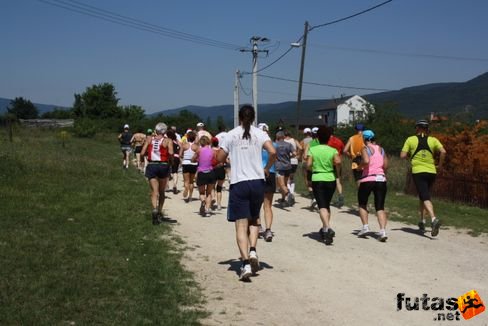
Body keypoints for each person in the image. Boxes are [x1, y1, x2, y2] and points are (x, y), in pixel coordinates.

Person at [217, 105, 276, 281]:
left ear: (239, 117)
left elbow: (219, 158)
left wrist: (226, 158)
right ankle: (253, 250)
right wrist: (266, 168)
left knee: (240, 225)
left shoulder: (231, 134)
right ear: (254, 117)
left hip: (239, 182)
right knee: (254, 219)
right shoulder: (260, 134)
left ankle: (245, 264)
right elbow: (273, 152)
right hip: (257, 182)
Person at [400, 119, 446, 236]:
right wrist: (439, 165)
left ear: (417, 128)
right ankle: (422, 221)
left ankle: (433, 219)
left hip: (418, 171)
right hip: (431, 171)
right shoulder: (433, 140)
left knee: (425, 196)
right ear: (427, 129)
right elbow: (443, 152)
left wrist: (411, 157)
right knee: (423, 195)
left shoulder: (410, 139)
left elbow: (402, 155)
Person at [307, 126, 341, 245]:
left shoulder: (313, 149)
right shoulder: (333, 150)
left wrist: (313, 168)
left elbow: (308, 164)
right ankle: (325, 230)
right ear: (328, 138)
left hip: (318, 178)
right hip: (330, 178)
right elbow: (338, 161)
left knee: (321, 206)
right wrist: (333, 168)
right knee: (326, 205)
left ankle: (327, 227)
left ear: (318, 137)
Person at [356, 130, 389, 242]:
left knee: (362, 203)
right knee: (380, 206)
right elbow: (386, 165)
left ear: (365, 139)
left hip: (368, 179)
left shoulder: (365, 148)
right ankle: (382, 231)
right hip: (381, 179)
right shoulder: (381, 149)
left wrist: (359, 167)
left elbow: (366, 161)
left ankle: (365, 227)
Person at [140, 122, 174, 225]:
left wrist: (143, 159)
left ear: (156, 130)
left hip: (152, 165)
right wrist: (171, 162)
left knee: (154, 191)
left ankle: (154, 209)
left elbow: (142, 153)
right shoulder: (168, 141)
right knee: (162, 191)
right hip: (164, 165)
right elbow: (171, 153)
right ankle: (159, 211)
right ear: (165, 131)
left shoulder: (149, 139)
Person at [258, 123, 277, 242]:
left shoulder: (256, 145)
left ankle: (259, 226)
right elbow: (276, 156)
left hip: (258, 174)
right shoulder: (273, 145)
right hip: (271, 173)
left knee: (256, 203)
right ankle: (268, 229)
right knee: (268, 205)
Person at [192, 136, 216, 217]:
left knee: (202, 192)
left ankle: (203, 200)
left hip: (201, 172)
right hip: (211, 172)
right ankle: (208, 210)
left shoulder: (199, 150)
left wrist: (197, 159)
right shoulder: (213, 151)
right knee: (209, 192)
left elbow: (193, 159)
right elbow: (215, 160)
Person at [275, 131, 296, 207]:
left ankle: (288, 194)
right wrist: (289, 157)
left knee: (281, 185)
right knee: (285, 183)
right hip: (288, 166)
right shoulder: (289, 144)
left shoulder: (275, 145)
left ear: (277, 137)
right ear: (284, 137)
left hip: (279, 166)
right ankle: (283, 199)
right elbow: (294, 153)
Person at [327, 128, 345, 208]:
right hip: (338, 162)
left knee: (328, 179)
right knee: (338, 179)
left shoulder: (327, 141)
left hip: (329, 163)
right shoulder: (339, 141)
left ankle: (327, 197)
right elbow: (342, 150)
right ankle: (340, 194)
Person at [180, 131, 198, 202]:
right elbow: (198, 156)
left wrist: (183, 158)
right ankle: (190, 197)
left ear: (187, 137)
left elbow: (180, 154)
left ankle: (186, 188)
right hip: (194, 164)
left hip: (186, 163)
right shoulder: (196, 146)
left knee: (186, 181)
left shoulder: (184, 145)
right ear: (194, 138)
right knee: (191, 181)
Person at [284, 130, 302, 199]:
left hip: (287, 160)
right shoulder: (294, 140)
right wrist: (298, 154)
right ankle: (292, 192)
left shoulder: (284, 141)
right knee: (292, 177)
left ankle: (290, 193)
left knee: (287, 177)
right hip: (294, 160)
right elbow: (300, 148)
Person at [211, 137, 226, 210]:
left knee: (212, 187)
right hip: (221, 169)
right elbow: (226, 160)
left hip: (213, 169)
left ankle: (213, 198)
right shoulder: (221, 151)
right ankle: (219, 205)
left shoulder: (210, 151)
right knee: (219, 188)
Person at [166, 129, 181, 194]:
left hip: (168, 157)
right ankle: (174, 185)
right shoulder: (176, 141)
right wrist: (180, 154)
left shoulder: (167, 140)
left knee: (167, 171)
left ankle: (167, 185)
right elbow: (181, 147)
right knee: (175, 172)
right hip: (176, 157)